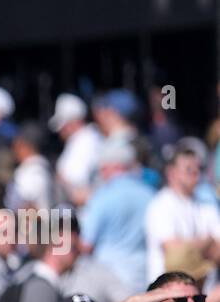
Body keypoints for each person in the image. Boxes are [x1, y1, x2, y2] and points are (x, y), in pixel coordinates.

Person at [80, 138, 154, 291]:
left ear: (115, 166)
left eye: (103, 168)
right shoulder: (150, 194)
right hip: (143, 275)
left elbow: (86, 244)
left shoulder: (102, 197)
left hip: (110, 279)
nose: (102, 173)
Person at [145, 143, 220, 289]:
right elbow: (175, 253)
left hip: (204, 291)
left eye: (198, 168)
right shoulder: (160, 205)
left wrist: (190, 247)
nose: (196, 173)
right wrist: (208, 242)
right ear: (171, 173)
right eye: (188, 169)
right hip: (169, 295)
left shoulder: (206, 203)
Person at [51, 94, 103, 208]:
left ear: (73, 122)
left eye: (64, 125)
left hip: (82, 211)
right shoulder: (82, 139)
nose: (61, 131)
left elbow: (77, 180)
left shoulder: (86, 141)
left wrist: (60, 177)